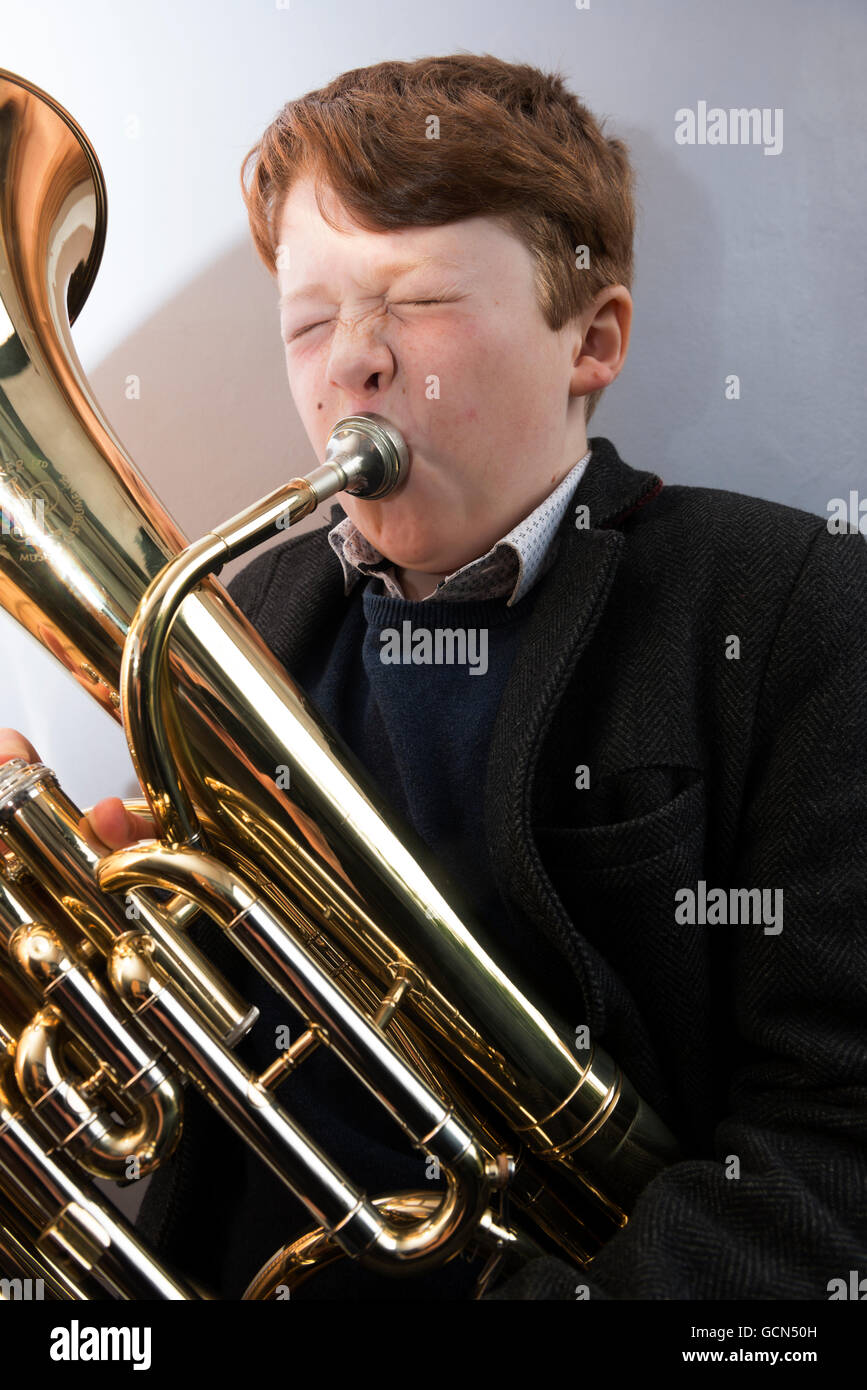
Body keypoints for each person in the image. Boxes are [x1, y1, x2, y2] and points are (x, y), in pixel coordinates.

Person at [2, 52, 865, 1301]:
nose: (348, 362)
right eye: (310, 317)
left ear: (595, 340)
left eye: (417, 305)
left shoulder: (786, 607)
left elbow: (836, 1140)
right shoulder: (247, 612)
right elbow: (232, 1066)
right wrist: (98, 969)